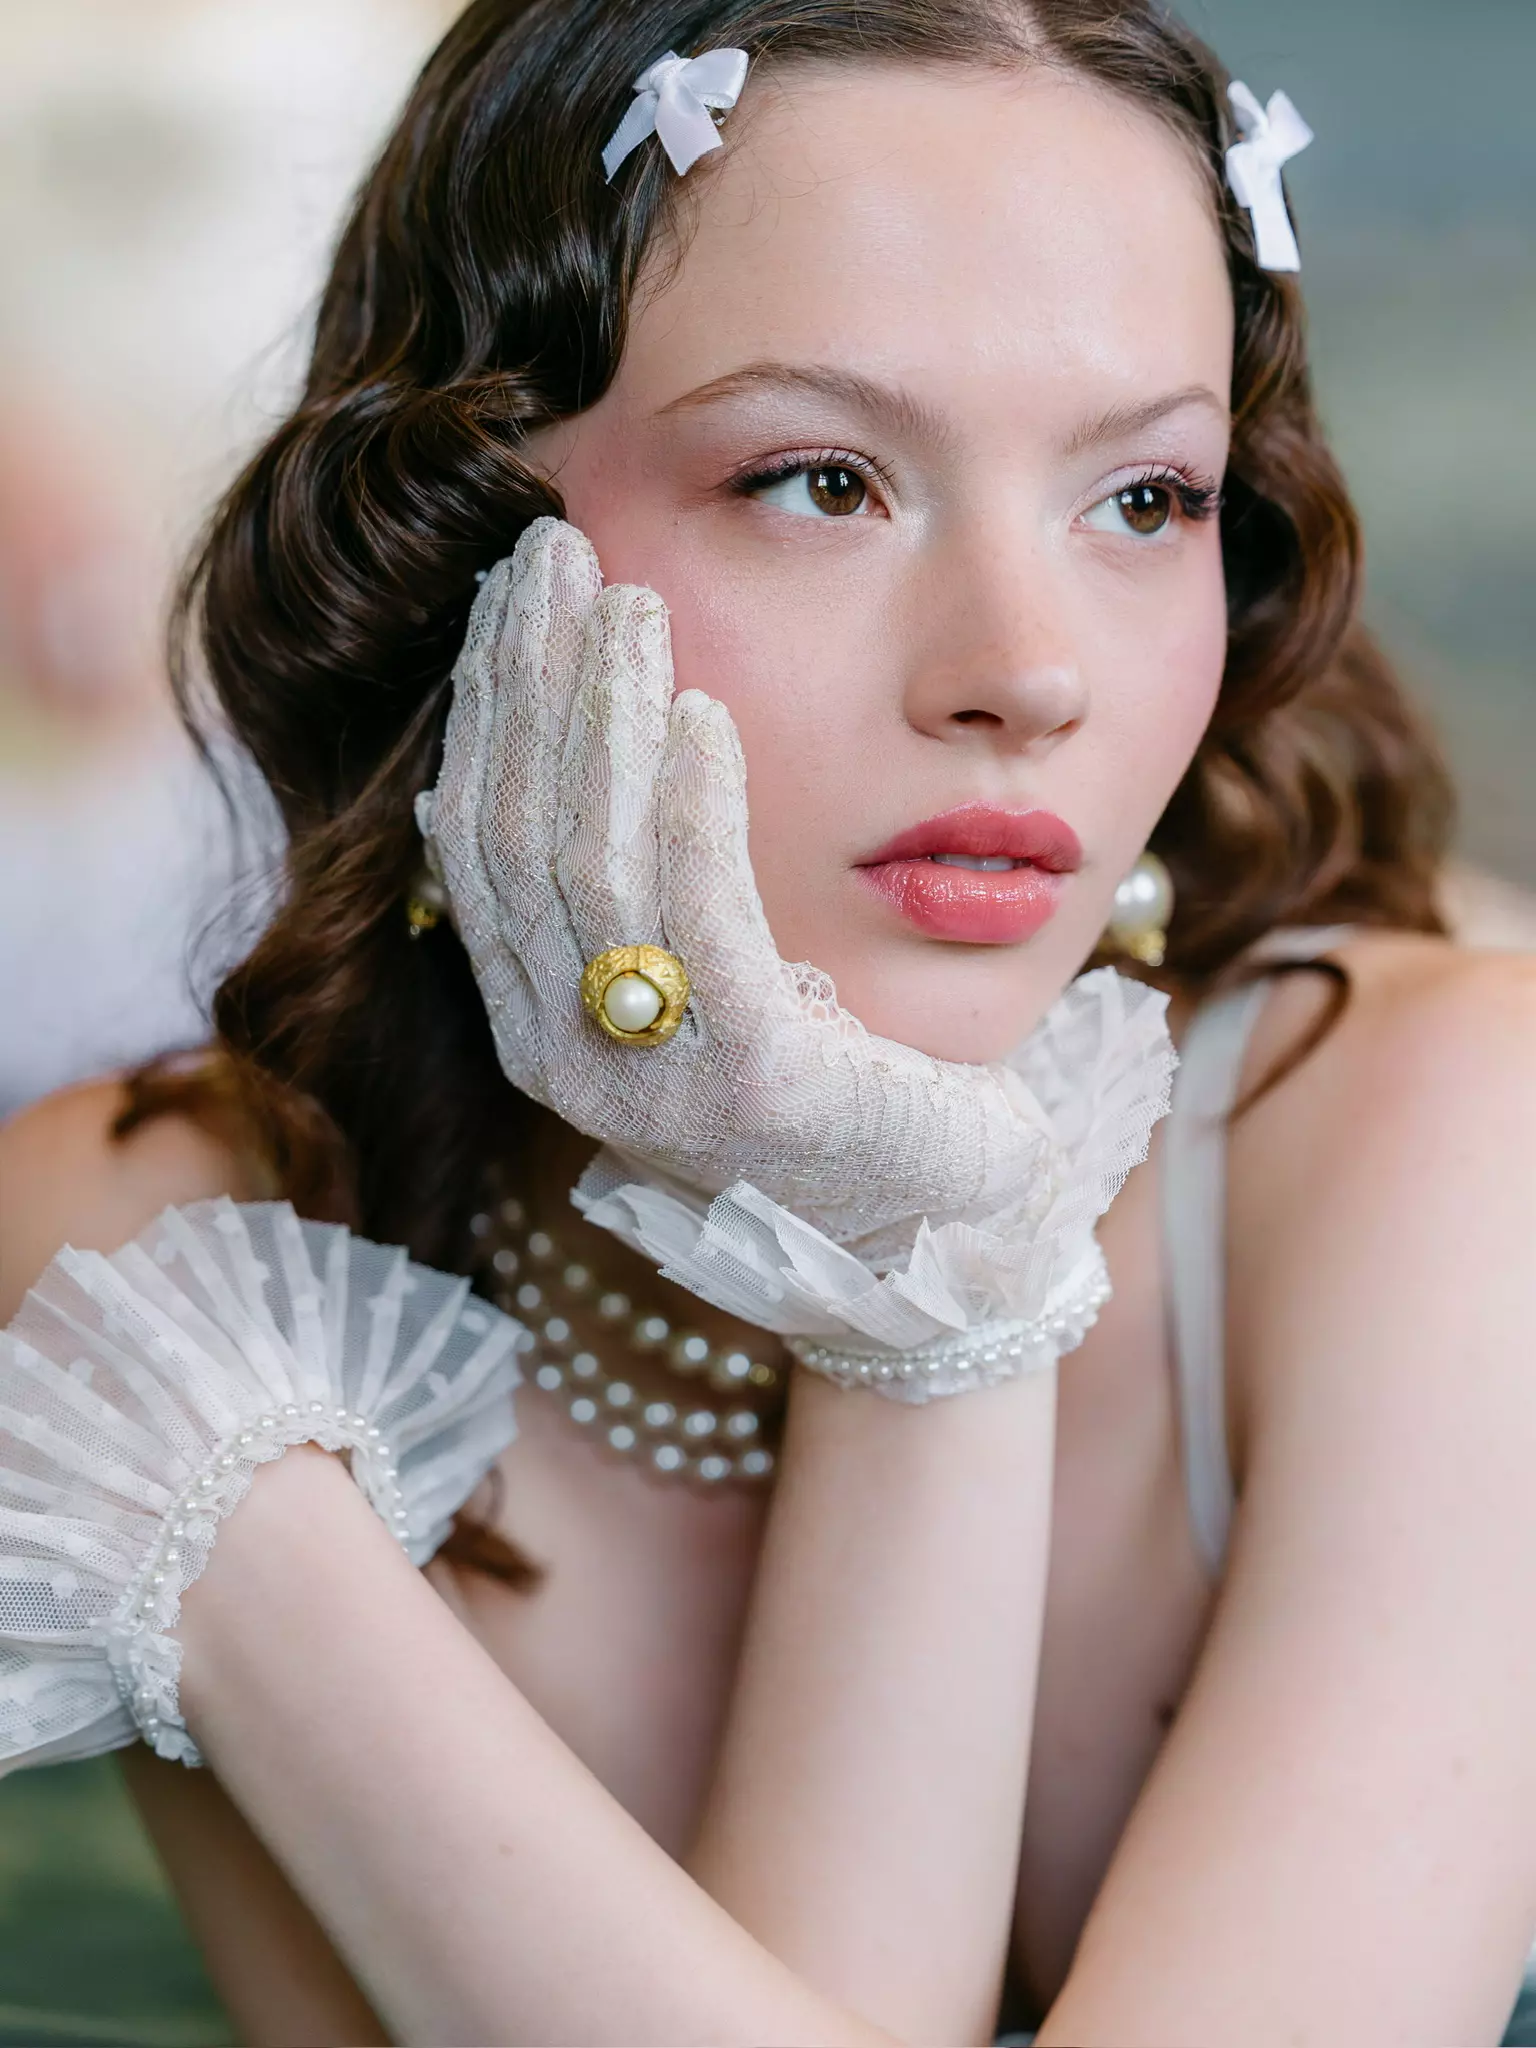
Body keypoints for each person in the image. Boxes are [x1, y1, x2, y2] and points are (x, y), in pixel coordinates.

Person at [3, 2, 1535, 2043]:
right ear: (457, 545)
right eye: (824, 478)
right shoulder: (170, 1268)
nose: (1027, 672)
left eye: (1146, 499)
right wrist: (900, 1245)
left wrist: (926, 1249)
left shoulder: (1454, 1136)